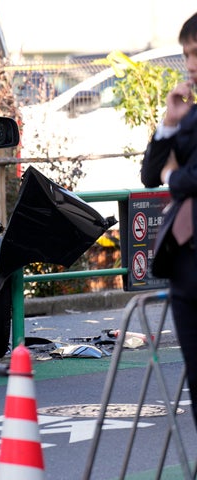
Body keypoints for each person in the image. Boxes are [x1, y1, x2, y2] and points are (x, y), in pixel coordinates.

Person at [141, 12, 197, 426]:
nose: (191, 65)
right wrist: (167, 124)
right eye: (186, 55)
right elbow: (149, 174)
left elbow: (183, 179)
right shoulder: (190, 117)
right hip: (186, 265)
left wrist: (173, 178)